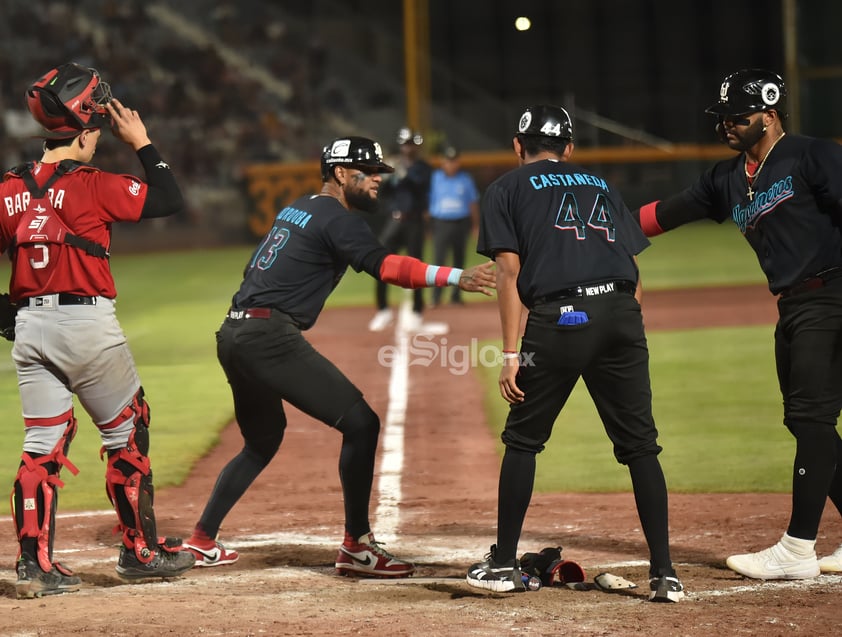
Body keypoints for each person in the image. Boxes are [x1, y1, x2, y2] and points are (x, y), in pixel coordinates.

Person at [182, 136, 495, 576]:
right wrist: (455, 275)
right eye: (369, 174)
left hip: (234, 331)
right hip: (268, 336)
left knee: (262, 441)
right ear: (342, 174)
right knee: (362, 423)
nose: (377, 183)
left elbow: (256, 269)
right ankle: (356, 545)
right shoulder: (336, 216)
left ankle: (200, 540)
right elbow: (388, 268)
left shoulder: (299, 207)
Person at [466, 105, 684, 602]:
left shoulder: (505, 189)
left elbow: (508, 273)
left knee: (523, 440)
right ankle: (665, 575)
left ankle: (502, 564)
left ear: (518, 147)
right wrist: (622, 329)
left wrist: (509, 352)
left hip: (563, 318)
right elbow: (633, 271)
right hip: (621, 315)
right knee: (642, 448)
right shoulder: (600, 184)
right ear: (569, 148)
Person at [633, 68, 842, 581]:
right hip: (793, 307)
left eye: (739, 116)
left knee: (813, 419)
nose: (727, 124)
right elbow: (664, 214)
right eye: (722, 116)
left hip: (834, 295)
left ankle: (797, 549)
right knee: (803, 421)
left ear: (770, 115)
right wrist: (592, 226)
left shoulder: (814, 155)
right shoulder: (727, 178)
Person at [1, 62, 196, 599]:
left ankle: (33, 564)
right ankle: (140, 552)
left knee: (42, 443)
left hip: (30, 329)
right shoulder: (94, 185)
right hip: (85, 326)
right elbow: (168, 198)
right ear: (85, 129)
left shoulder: (8, 189)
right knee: (128, 430)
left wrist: (3, 309)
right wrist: (142, 141)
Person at [367, 127, 434, 332]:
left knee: (416, 266)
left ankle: (417, 310)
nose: (408, 148)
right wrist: (387, 177)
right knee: (382, 263)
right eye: (405, 144)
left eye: (411, 144)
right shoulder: (395, 166)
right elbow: (383, 193)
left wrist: (400, 172)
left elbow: (419, 184)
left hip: (414, 221)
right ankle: (382, 309)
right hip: (394, 220)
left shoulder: (423, 167)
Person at [428, 145, 480, 307]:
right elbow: (429, 201)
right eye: (448, 161)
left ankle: (456, 296)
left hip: (460, 222)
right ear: (443, 162)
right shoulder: (435, 178)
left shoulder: (465, 179)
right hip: (441, 223)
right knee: (439, 260)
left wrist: (475, 225)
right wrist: (428, 226)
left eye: (454, 161)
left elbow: (473, 204)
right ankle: (436, 297)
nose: (451, 164)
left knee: (459, 260)